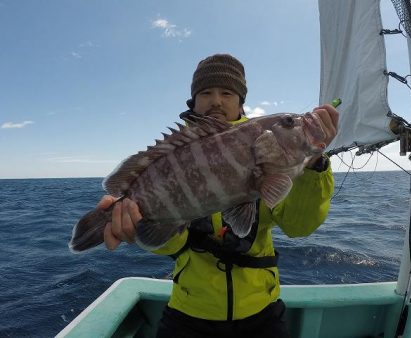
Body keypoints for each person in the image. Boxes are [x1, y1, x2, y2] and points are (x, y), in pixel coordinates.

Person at [97, 54, 339, 338]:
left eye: (227, 93)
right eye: (205, 93)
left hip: (261, 309)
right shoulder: (177, 151)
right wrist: (137, 224)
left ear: (240, 101)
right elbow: (166, 245)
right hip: (189, 309)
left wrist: (315, 164)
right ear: (193, 100)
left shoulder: (282, 164)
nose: (216, 101)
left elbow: (299, 227)